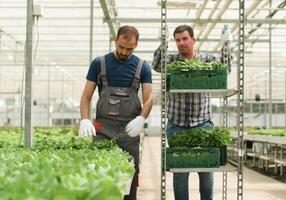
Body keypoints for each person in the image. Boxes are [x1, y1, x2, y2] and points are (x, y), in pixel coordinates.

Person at [152, 24, 232, 200]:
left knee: (206, 171)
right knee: (180, 173)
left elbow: (225, 68)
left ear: (193, 39)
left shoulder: (205, 59)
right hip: (176, 125)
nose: (181, 43)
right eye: (177, 40)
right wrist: (163, 44)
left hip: (202, 123)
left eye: (185, 38)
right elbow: (156, 65)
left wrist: (226, 46)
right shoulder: (171, 61)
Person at [79, 25, 153, 200]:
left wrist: (142, 118)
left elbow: (149, 98)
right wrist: (84, 119)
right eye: (121, 46)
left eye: (130, 48)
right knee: (101, 180)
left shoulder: (143, 67)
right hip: (103, 131)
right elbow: (86, 96)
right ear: (115, 40)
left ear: (136, 45)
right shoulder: (99, 63)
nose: (124, 52)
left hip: (130, 132)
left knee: (129, 179)